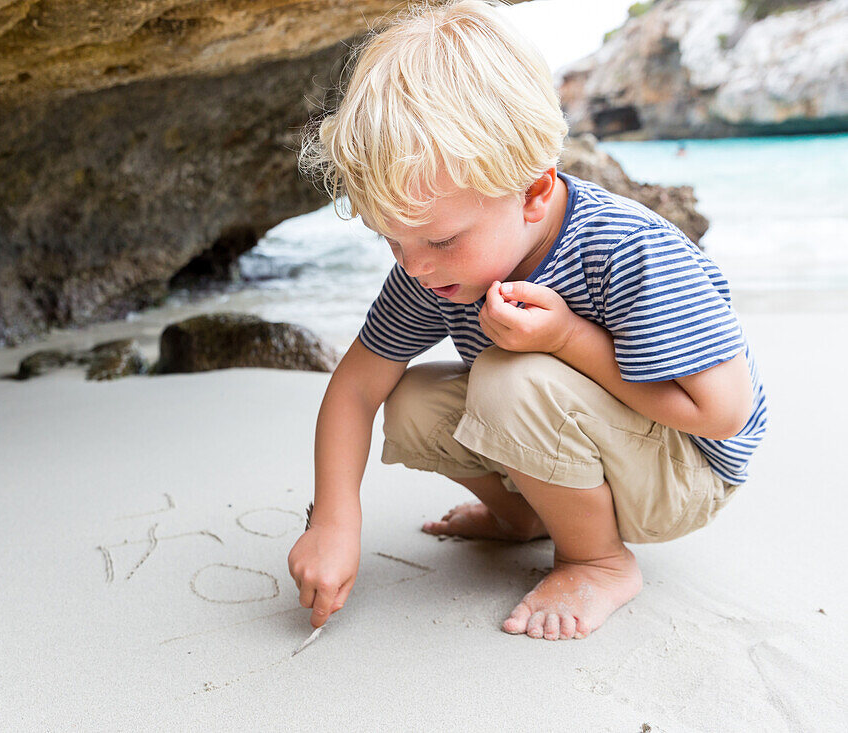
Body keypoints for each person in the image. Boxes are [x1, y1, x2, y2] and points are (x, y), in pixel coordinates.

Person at [287, 0, 767, 641]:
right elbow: (356, 387)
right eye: (391, 241)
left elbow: (723, 413)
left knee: (511, 377)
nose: (415, 267)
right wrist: (334, 520)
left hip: (685, 472)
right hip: (596, 448)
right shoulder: (433, 268)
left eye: (438, 240)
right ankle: (524, 517)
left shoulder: (625, 248)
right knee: (410, 400)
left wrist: (568, 338)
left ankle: (597, 559)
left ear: (535, 193)